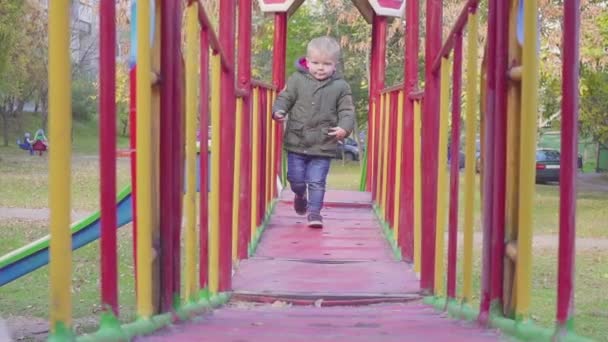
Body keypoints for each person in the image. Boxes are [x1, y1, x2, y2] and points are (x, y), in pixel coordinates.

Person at [272, 36, 355, 228]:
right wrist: (278, 110)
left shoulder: (340, 86)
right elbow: (285, 98)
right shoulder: (297, 80)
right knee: (296, 179)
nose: (320, 68)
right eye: (316, 63)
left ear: (335, 65)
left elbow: (346, 110)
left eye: (327, 64)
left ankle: (315, 213)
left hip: (323, 143)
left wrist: (344, 128)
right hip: (297, 141)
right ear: (307, 61)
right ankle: (300, 195)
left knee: (317, 181)